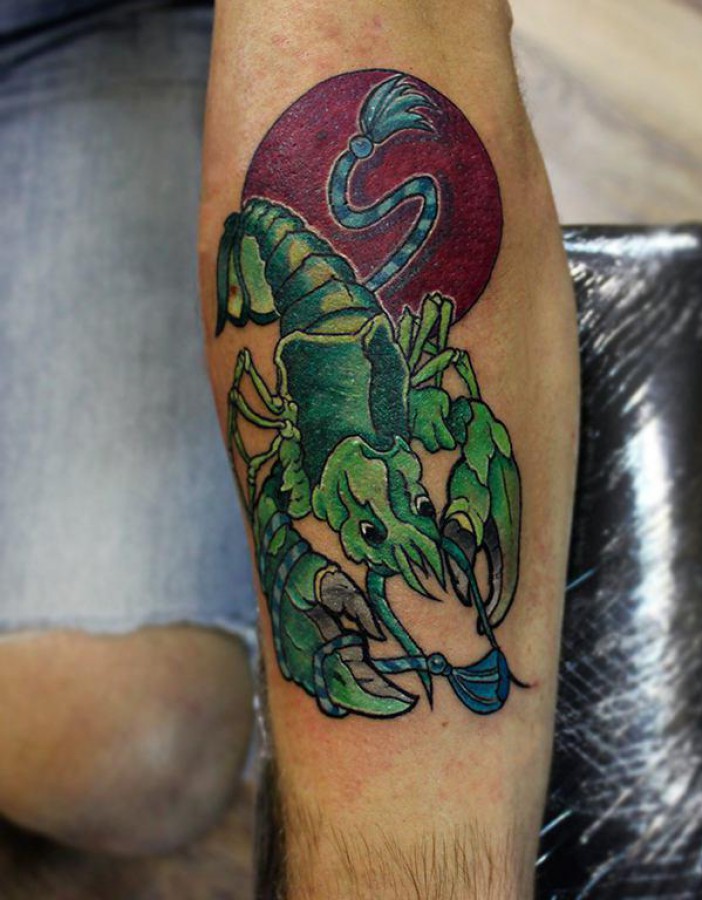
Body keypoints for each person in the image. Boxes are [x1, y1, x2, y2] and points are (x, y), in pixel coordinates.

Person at [0, 1, 579, 896]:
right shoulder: (320, 480)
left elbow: (396, 25)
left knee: (140, 750)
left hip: (112, 37)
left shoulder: (374, 461)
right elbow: (291, 492)